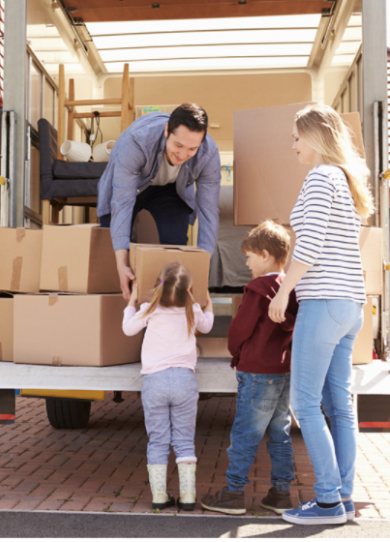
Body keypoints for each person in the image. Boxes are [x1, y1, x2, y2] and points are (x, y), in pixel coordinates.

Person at [268, 104, 374, 525]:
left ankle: (328, 501)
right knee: (339, 406)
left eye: (296, 137)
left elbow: (308, 246)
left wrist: (283, 292)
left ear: (315, 136)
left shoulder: (319, 178)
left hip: (324, 302)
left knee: (304, 403)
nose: (293, 146)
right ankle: (342, 498)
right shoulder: (344, 181)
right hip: (350, 306)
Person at [200, 220, 299, 516]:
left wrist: (236, 352)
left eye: (249, 256)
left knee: (245, 434)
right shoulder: (290, 289)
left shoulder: (258, 289)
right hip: (283, 371)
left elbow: (239, 329)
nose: (246, 262)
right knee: (280, 434)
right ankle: (281, 494)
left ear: (265, 255)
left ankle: (232, 494)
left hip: (257, 372)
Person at [98, 103, 222, 301]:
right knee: (112, 251)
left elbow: (208, 211)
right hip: (131, 185)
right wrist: (122, 265)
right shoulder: (136, 142)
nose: (182, 155)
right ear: (167, 131)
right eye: (178, 145)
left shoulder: (208, 153)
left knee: (175, 243)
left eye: (192, 149)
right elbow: (122, 203)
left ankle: (169, 309)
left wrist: (201, 271)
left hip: (171, 189)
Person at [122, 262, 214, 511]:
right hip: (185, 381)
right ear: (190, 289)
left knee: (158, 440)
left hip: (155, 381)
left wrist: (131, 301)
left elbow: (128, 329)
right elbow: (207, 326)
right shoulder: (192, 310)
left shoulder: (149, 309)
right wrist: (208, 303)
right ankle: (187, 497)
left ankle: (160, 496)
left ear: (157, 287)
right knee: (184, 440)